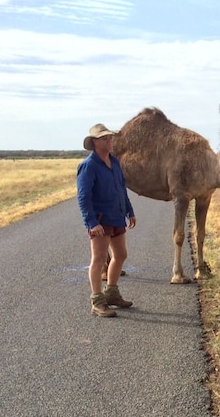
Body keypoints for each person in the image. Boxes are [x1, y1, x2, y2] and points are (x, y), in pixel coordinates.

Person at [76, 123, 137, 317]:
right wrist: (92, 223)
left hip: (117, 216)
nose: (110, 141)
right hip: (100, 220)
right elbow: (83, 197)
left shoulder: (114, 161)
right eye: (105, 138)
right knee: (99, 259)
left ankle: (112, 292)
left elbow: (121, 188)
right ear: (95, 142)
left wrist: (129, 211)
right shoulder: (88, 166)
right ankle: (97, 301)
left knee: (121, 255)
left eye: (110, 138)